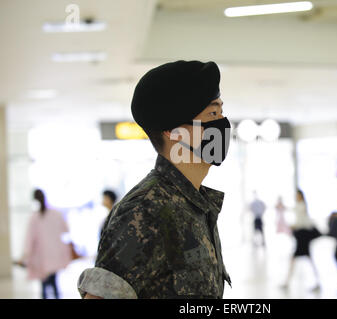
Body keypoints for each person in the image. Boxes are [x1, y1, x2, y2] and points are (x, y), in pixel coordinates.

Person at [78, 60, 232, 299]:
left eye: (221, 111)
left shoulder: (194, 205)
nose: (222, 123)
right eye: (212, 113)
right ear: (172, 131)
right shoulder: (147, 209)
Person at [19, 189, 72, 299]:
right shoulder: (56, 214)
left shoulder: (34, 218)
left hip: (42, 257)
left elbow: (29, 239)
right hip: (56, 254)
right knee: (53, 282)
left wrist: (24, 256)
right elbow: (66, 229)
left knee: (44, 285)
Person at [282, 189, 321, 291]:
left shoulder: (302, 206)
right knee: (303, 259)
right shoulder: (299, 206)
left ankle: (287, 282)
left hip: (303, 236)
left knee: (297, 258)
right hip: (301, 236)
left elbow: (303, 222)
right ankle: (287, 282)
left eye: (298, 195)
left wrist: (294, 226)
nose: (296, 197)